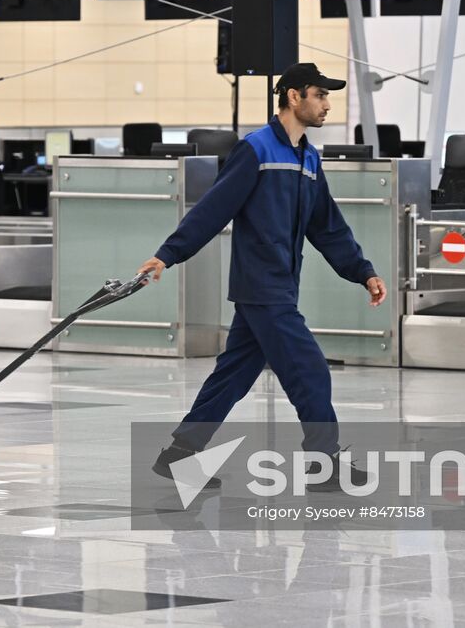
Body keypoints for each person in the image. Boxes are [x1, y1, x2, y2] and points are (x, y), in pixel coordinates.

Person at [137, 62, 387, 484]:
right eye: (320, 95)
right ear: (293, 96)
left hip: (280, 287)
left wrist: (362, 271)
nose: (327, 105)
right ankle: (323, 465)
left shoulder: (308, 157)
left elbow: (327, 225)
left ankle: (180, 454)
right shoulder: (257, 149)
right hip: (262, 286)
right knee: (310, 370)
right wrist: (169, 253)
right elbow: (215, 207)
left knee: (232, 375)